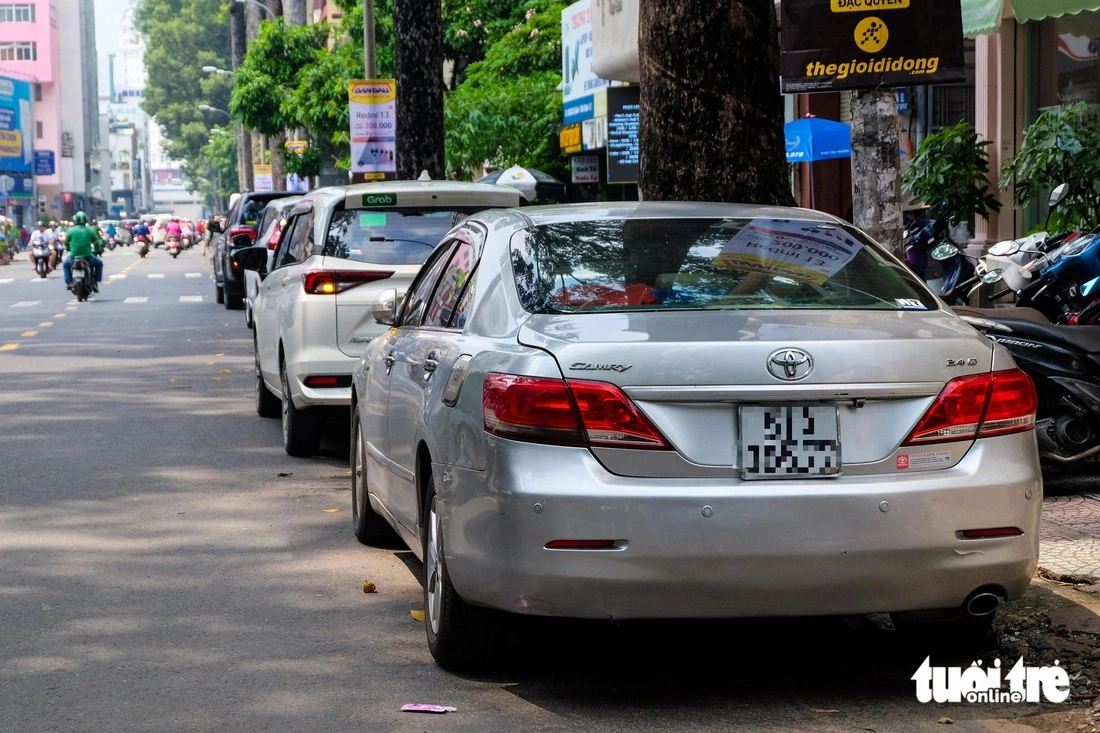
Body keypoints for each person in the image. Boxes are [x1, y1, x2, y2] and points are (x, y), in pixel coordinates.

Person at [62, 211, 104, 291]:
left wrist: (68, 248)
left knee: (65, 265)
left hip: (74, 256)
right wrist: (98, 250)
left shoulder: (71, 231)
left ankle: (69, 282)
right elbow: (96, 243)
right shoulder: (90, 230)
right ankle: (95, 282)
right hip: (87, 256)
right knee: (99, 264)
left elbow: (66, 242)